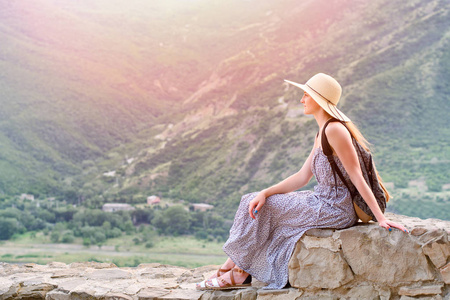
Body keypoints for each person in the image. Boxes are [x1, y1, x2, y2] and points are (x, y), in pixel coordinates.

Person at [196, 73, 408, 290]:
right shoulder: (322, 132)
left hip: (335, 208)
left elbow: (356, 175)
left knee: (266, 210)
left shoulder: (335, 130)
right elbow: (302, 176)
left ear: (318, 99)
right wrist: (265, 192)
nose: (302, 100)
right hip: (321, 199)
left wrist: (380, 218)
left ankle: (238, 272)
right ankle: (232, 267)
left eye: (306, 95)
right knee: (253, 200)